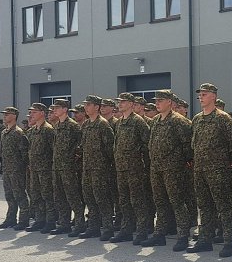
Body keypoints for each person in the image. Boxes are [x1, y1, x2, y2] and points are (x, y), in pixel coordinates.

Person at [190, 83, 232, 257]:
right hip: (200, 170)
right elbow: (194, 144)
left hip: (218, 171)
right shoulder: (197, 119)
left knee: (224, 206)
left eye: (204, 94)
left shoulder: (223, 119)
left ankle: (229, 241)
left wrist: (226, 163)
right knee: (204, 207)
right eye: (200, 95)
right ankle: (205, 239)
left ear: (213, 96)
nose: (201, 97)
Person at [145, 90, 194, 251]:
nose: (157, 103)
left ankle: (183, 235)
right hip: (156, 168)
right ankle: (159, 234)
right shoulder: (155, 121)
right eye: (156, 100)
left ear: (170, 103)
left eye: (161, 100)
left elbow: (188, 146)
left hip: (173, 169)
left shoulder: (179, 121)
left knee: (177, 202)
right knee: (160, 201)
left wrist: (182, 162)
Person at [112, 93, 153, 243]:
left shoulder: (138, 122)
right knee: (124, 200)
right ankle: (126, 229)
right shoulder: (119, 123)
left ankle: (142, 230)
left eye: (123, 102)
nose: (120, 104)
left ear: (131, 103)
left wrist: (144, 165)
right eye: (119, 102)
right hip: (121, 168)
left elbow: (147, 145)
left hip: (135, 168)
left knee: (137, 200)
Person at [79, 95, 117, 240]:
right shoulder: (86, 124)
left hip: (100, 168)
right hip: (87, 168)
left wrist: (106, 165)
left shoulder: (103, 125)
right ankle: (93, 227)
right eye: (85, 105)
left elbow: (109, 148)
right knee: (89, 197)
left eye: (89, 105)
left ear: (97, 107)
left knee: (102, 198)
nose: (86, 107)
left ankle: (108, 228)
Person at [50, 99, 85, 236]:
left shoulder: (73, 126)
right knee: (59, 196)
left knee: (73, 196)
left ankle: (79, 224)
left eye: (57, 108)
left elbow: (80, 145)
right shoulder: (57, 125)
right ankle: (64, 223)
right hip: (57, 166)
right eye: (54, 108)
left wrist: (74, 160)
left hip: (69, 167)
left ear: (65, 109)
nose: (54, 110)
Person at [0, 107, 30, 230]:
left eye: (7, 114)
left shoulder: (18, 133)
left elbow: (25, 153)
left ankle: (24, 220)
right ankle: (10, 219)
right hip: (7, 169)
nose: (5, 117)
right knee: (9, 195)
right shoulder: (4, 132)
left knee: (20, 195)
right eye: (4, 114)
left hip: (17, 170)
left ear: (14, 116)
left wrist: (22, 168)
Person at [25, 102, 56, 233]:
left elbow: (53, 150)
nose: (31, 114)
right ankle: (39, 220)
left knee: (47, 195)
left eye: (34, 112)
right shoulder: (31, 131)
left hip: (46, 169)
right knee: (35, 195)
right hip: (34, 169)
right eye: (31, 112)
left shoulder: (48, 130)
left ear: (42, 113)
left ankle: (50, 221)